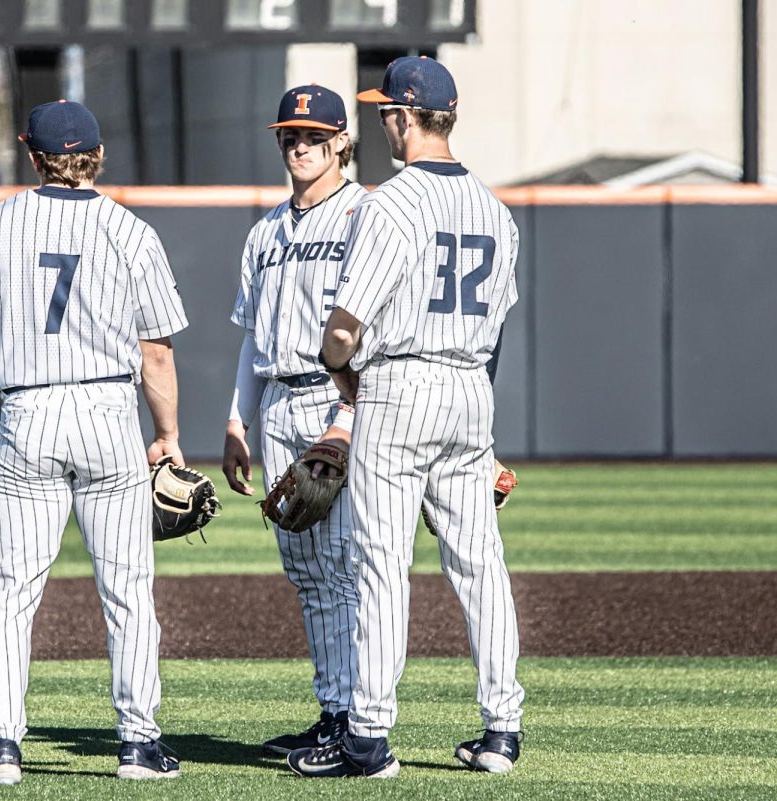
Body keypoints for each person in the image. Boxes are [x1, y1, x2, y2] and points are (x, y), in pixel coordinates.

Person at [288, 56, 525, 779]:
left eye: (384, 110)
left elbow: (344, 325)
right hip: (469, 389)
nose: (381, 118)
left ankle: (367, 736)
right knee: (480, 562)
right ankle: (501, 728)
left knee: (381, 564)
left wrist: (340, 375)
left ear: (401, 116)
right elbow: (500, 328)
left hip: (400, 385)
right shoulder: (495, 208)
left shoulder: (391, 201)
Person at [0, 100, 188, 785]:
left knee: (12, 590)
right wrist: (167, 436)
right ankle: (139, 744)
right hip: (109, 411)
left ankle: (0, 746)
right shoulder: (130, 230)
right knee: (128, 590)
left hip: (28, 410)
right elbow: (157, 352)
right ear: (100, 157)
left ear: (32, 155)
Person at [222, 85, 364, 756]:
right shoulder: (265, 231)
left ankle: (358, 720)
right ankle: (333, 708)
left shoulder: (366, 215)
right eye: (290, 135)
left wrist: (346, 415)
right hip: (278, 401)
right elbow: (252, 338)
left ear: (342, 141)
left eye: (314, 135)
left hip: (337, 399)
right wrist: (236, 421)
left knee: (342, 566)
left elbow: (375, 331)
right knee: (306, 570)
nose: (301, 145)